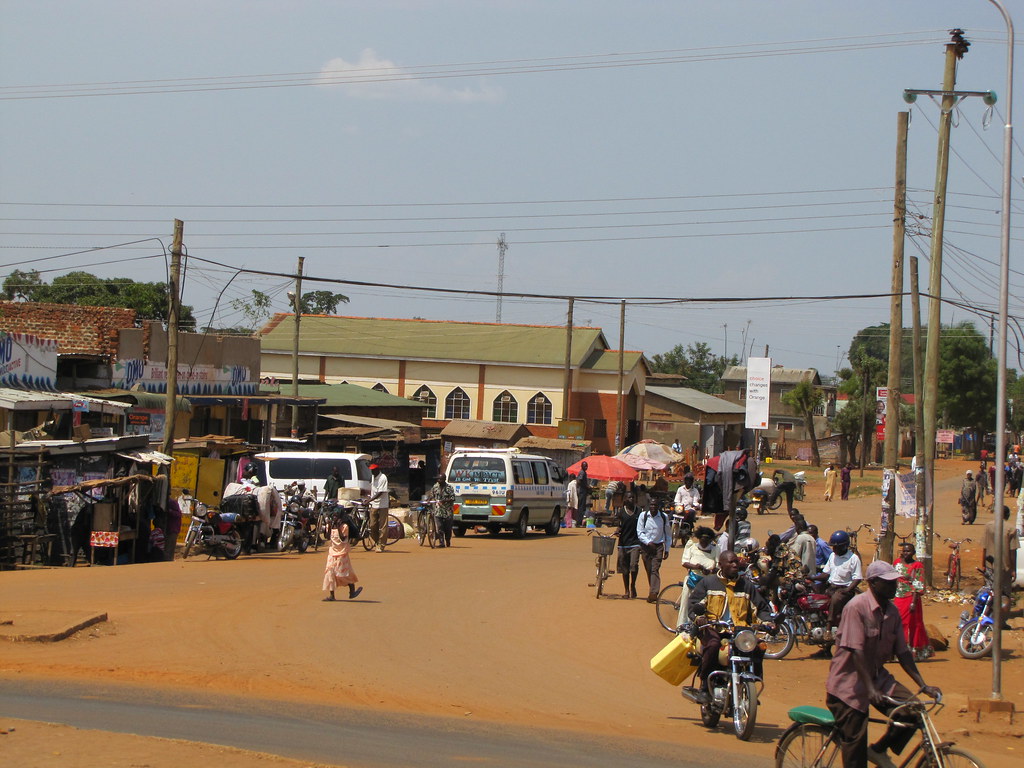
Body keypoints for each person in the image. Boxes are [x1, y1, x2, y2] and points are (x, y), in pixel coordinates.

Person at [825, 560, 941, 768]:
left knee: (913, 711)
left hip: (877, 677)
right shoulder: (856, 607)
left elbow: (903, 652)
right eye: (889, 583)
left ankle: (879, 750)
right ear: (873, 583)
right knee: (855, 744)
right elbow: (856, 651)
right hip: (848, 684)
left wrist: (922, 685)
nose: (894, 587)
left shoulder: (892, 611)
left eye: (895, 582)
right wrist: (869, 689)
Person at [687, 550, 773, 704]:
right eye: (731, 562)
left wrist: (768, 622)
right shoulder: (708, 582)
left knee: (759, 646)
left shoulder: (746, 585)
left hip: (740, 631)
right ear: (721, 565)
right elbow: (693, 604)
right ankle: (704, 688)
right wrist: (699, 618)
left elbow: (761, 608)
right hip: (713, 628)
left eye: (736, 562)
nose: (735, 564)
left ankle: (751, 684)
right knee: (712, 645)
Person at [816, 530, 863, 636]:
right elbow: (825, 574)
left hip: (844, 590)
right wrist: (811, 578)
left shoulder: (853, 559)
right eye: (833, 547)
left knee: (836, 598)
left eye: (836, 547)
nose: (834, 549)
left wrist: (847, 590)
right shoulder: (832, 556)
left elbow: (857, 578)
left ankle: (828, 627)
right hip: (830, 587)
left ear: (844, 546)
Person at [893, 543, 929, 661]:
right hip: (897, 597)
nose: (906, 553)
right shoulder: (897, 563)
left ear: (913, 553)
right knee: (896, 623)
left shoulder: (917, 565)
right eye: (904, 551)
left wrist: (913, 602)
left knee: (910, 624)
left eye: (908, 551)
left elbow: (919, 584)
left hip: (910, 598)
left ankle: (910, 651)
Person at [677, 526, 719, 627]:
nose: (704, 543)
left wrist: (710, 571)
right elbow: (684, 562)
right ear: (699, 538)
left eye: (707, 541)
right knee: (686, 604)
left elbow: (718, 567)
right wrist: (696, 567)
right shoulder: (692, 547)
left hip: (707, 583)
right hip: (692, 580)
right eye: (702, 540)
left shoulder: (715, 549)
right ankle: (683, 626)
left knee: (703, 606)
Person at [637, 497, 672, 602]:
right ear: (649, 505)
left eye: (655, 505)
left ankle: (654, 593)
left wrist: (667, 549)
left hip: (658, 547)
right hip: (646, 547)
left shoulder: (663, 517)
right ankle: (652, 589)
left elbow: (668, 535)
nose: (653, 507)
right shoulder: (643, 516)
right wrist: (648, 542)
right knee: (649, 569)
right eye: (651, 505)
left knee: (654, 569)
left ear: (659, 507)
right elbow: (640, 532)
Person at [322, 512, 363, 602]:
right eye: (333, 517)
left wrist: (338, 528)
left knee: (344, 574)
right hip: (332, 553)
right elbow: (328, 537)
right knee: (330, 573)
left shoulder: (344, 527)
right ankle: (332, 595)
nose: (334, 518)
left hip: (342, 553)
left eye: (336, 517)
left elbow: (343, 539)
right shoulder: (330, 525)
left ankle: (352, 591)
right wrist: (328, 526)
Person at [983, 505, 1019, 596]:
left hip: (990, 565)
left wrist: (983, 564)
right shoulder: (1011, 529)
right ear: (1007, 515)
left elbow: (984, 547)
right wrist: (1013, 569)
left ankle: (990, 609)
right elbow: (1012, 552)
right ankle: (1002, 609)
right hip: (1005, 567)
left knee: (990, 591)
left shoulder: (988, 526)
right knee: (1004, 593)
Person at [615, 492, 642, 598]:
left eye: (632, 497)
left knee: (634, 566)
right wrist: (618, 530)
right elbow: (619, 525)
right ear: (625, 500)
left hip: (635, 543)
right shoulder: (621, 512)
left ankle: (633, 585)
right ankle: (626, 590)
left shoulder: (639, 511)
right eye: (629, 497)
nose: (631, 499)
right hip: (623, 544)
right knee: (624, 567)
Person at [427, 472, 455, 547]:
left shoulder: (449, 488)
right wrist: (428, 500)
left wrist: (444, 501)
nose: (439, 480)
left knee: (448, 528)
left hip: (447, 511)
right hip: (438, 511)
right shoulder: (435, 487)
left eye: (440, 479)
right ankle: (441, 542)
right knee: (439, 527)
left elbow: (453, 498)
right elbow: (431, 495)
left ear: (444, 479)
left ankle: (448, 540)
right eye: (438, 479)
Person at [367, 463, 390, 552]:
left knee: (383, 526)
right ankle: (377, 541)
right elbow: (372, 490)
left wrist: (369, 500)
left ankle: (381, 545)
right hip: (374, 505)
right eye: (371, 470)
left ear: (377, 470)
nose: (372, 472)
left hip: (382, 505)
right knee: (373, 525)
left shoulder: (383, 478)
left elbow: (380, 493)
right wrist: (369, 499)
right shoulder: (373, 477)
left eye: (373, 470)